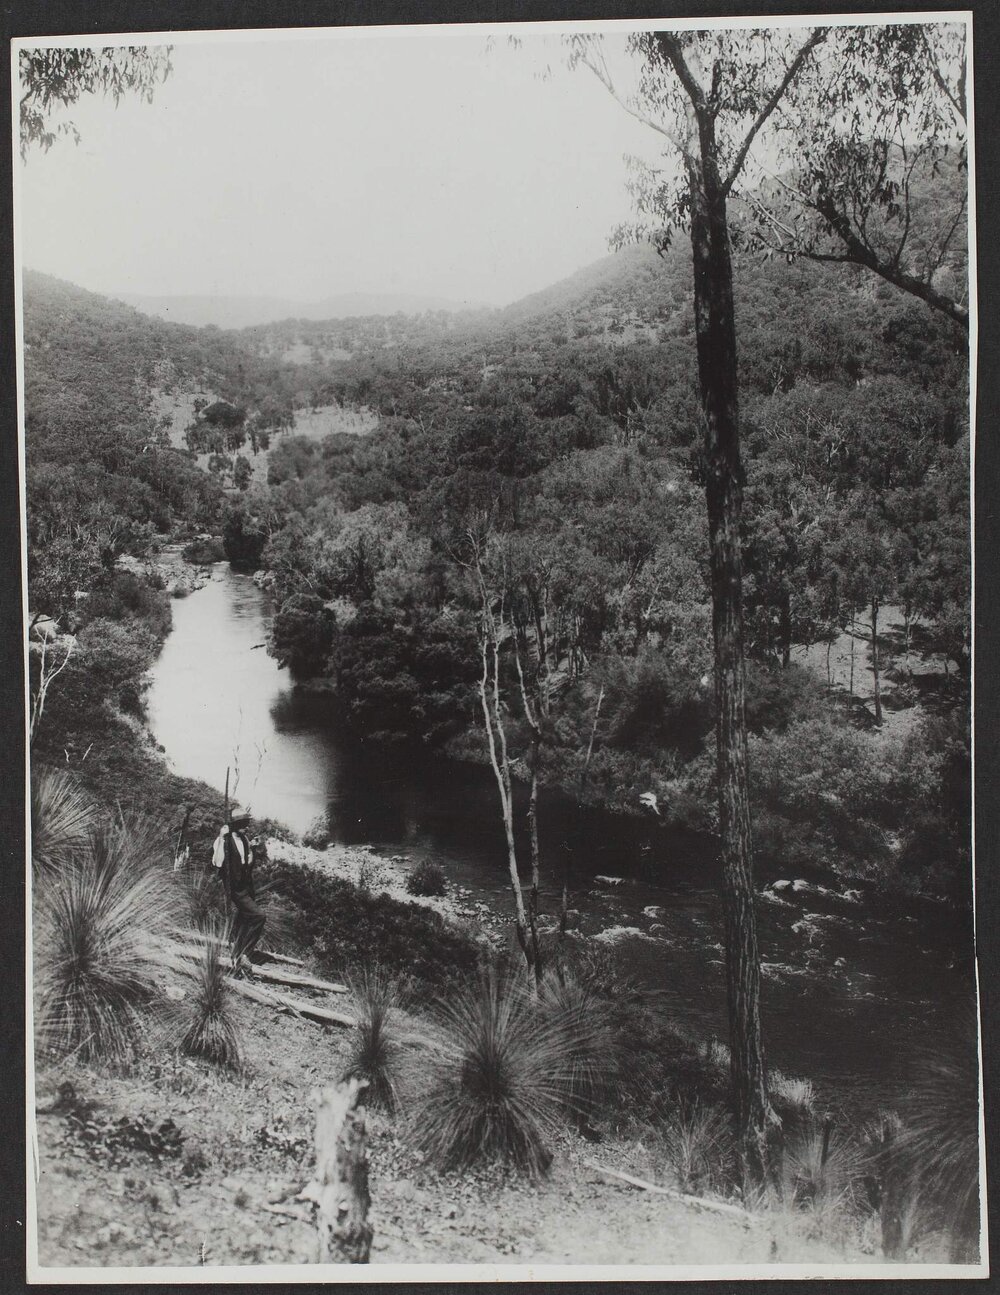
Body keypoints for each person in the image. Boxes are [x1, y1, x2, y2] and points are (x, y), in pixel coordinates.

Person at [220, 814, 266, 976]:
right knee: (259, 916)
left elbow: (247, 863)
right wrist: (221, 837)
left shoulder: (244, 839)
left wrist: (252, 848)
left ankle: (234, 944)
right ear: (236, 824)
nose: (247, 827)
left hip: (247, 887)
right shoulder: (224, 841)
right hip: (236, 889)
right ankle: (245, 953)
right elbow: (217, 862)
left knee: (243, 918)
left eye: (247, 823)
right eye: (244, 824)